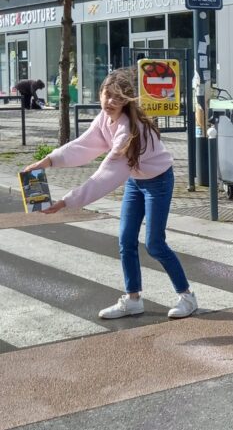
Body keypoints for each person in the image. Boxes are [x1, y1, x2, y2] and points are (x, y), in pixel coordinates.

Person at [23, 67, 198, 320]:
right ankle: (133, 299)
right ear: (100, 94)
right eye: (107, 95)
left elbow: (104, 177)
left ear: (125, 101)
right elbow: (82, 146)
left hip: (158, 181)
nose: (110, 102)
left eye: (117, 97)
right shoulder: (104, 119)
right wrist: (47, 161)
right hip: (136, 180)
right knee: (126, 240)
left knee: (155, 244)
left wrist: (65, 202)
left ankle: (187, 296)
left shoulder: (128, 131)